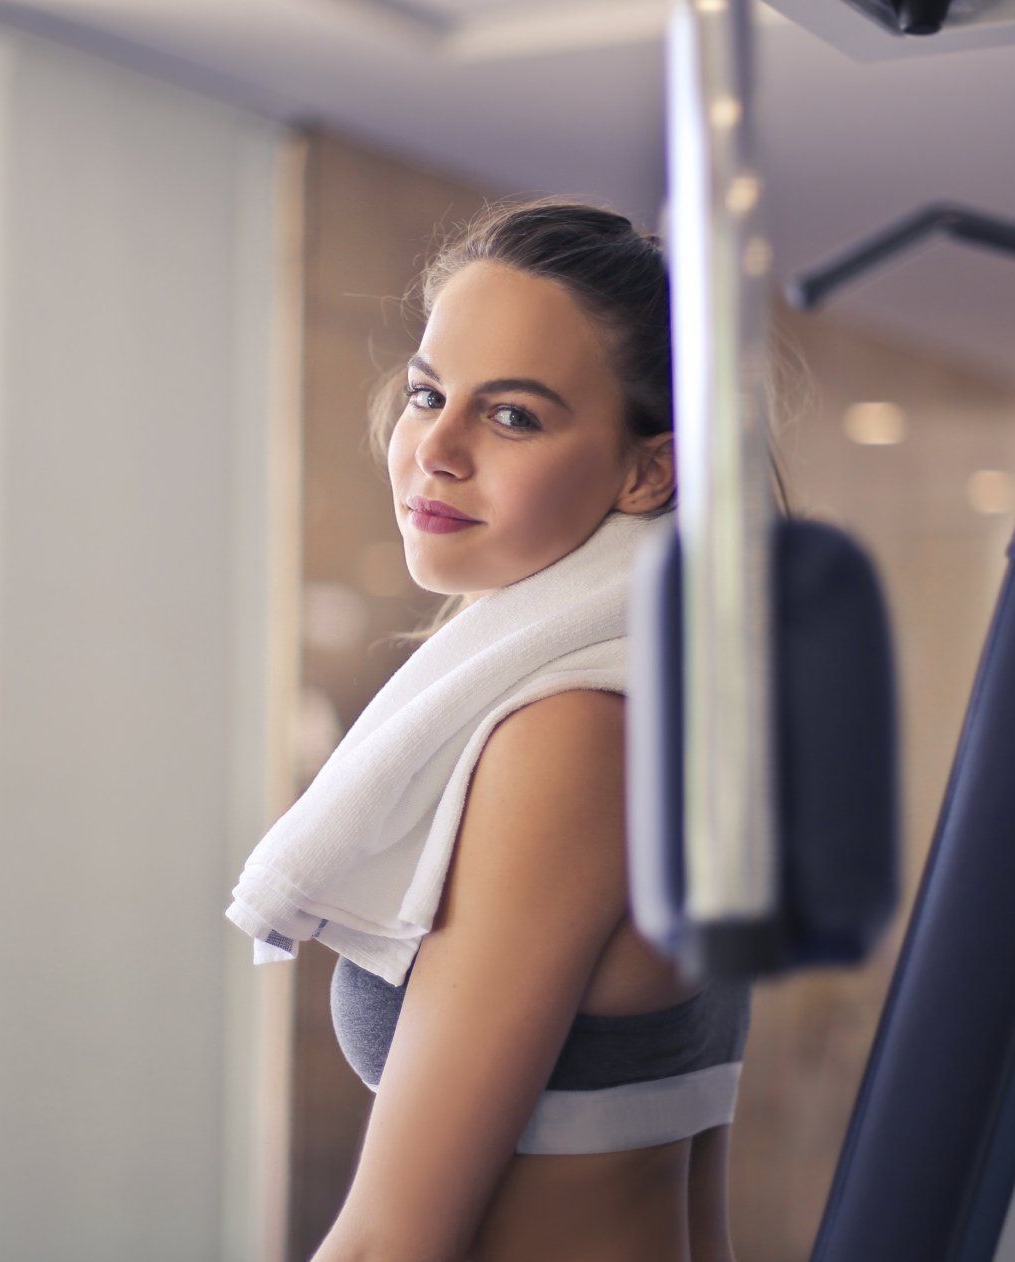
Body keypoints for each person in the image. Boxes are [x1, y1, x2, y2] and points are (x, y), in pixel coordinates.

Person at [304, 197, 795, 1262]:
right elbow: (689, 1176)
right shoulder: (663, 700)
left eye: (513, 416)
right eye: (428, 394)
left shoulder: (575, 735)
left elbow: (393, 1241)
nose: (436, 449)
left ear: (649, 470)